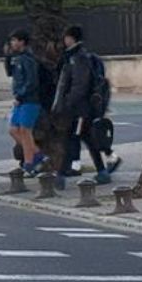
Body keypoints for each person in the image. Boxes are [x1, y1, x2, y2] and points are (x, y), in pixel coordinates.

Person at [52, 25, 121, 184]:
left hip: (80, 109)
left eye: (66, 37)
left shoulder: (78, 58)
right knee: (85, 138)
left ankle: (62, 175)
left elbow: (79, 85)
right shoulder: (73, 57)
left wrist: (68, 102)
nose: (64, 40)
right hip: (79, 108)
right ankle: (102, 170)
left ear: (71, 38)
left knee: (74, 138)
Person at [4, 29, 46, 174]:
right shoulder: (16, 58)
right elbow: (10, 73)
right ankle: (37, 154)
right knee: (13, 130)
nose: (12, 43)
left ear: (22, 42)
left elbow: (32, 81)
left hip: (30, 100)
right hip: (20, 99)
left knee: (25, 131)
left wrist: (20, 95)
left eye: (15, 40)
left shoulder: (29, 59)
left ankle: (29, 163)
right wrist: (7, 56)